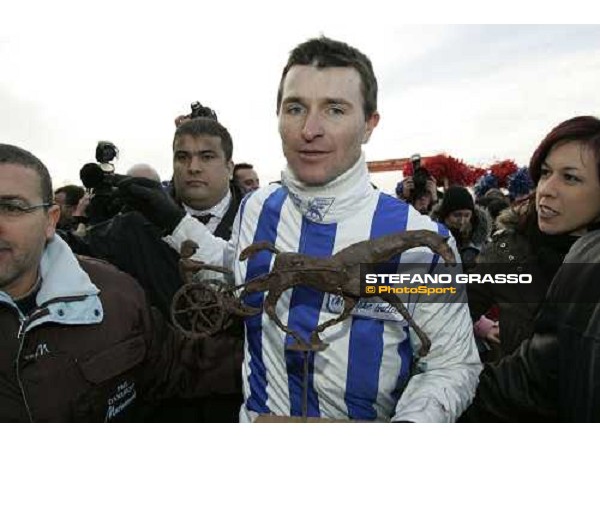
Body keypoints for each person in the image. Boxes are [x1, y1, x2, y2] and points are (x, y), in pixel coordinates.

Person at [120, 36, 481, 423]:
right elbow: (240, 275)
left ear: (369, 125)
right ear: (278, 117)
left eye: (335, 110)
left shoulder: (422, 241)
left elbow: (451, 364)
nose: (310, 129)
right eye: (296, 108)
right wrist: (175, 225)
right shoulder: (255, 208)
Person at [0, 144, 237, 422]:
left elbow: (185, 364)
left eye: (11, 207)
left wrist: (281, 358)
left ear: (50, 220)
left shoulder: (115, 295)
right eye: (183, 156)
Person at [63, 117, 245, 422]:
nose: (193, 167)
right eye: (182, 156)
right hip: (158, 405)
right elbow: (67, 254)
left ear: (229, 166)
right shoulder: (133, 225)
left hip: (240, 399)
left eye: (207, 156)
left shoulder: (263, 224)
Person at [467, 115, 600, 359]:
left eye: (570, 177)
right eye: (546, 173)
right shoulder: (508, 251)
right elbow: (453, 310)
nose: (546, 189)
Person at [462, 226, 600, 422]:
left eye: (575, 191)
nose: (546, 193)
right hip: (509, 405)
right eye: (535, 191)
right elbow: (459, 306)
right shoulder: (507, 249)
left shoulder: (589, 255)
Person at [432, 186, 491, 269]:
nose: (462, 221)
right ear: (445, 216)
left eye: (467, 215)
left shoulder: (483, 243)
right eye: (457, 215)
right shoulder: (431, 241)